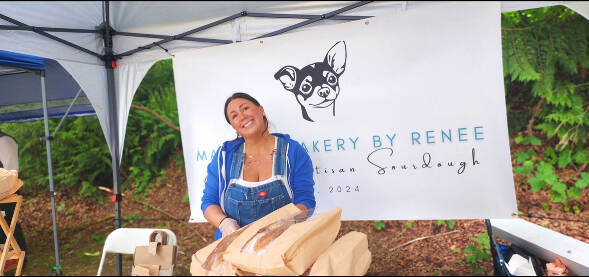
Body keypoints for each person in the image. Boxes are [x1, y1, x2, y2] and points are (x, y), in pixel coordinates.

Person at [201, 92, 316, 240]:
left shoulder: (292, 152)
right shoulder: (224, 157)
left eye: (246, 108)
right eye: (234, 116)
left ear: (261, 110)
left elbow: (305, 201)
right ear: (234, 127)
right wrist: (225, 223)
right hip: (234, 246)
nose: (242, 117)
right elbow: (209, 202)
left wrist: (286, 222)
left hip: (284, 244)